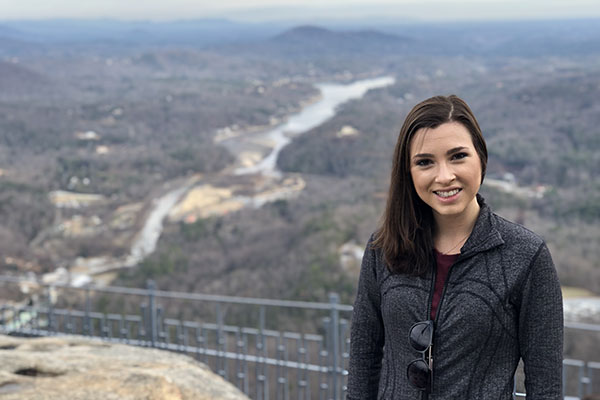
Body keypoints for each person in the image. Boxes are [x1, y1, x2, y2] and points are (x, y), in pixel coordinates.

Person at [346, 95, 563, 399]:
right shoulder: (382, 248)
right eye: (425, 162)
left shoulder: (526, 255)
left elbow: (546, 386)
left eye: (458, 156)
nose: (444, 176)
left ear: (481, 157)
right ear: (408, 172)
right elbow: (363, 360)